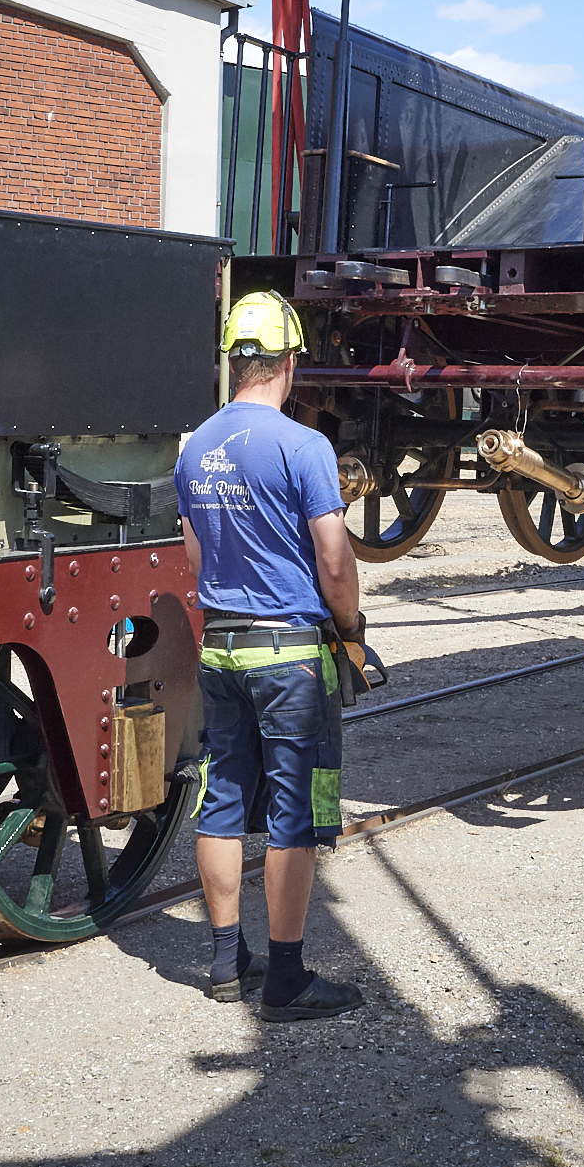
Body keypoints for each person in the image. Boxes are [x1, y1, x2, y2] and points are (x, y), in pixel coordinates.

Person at [173, 289, 366, 1021]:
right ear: (288, 363)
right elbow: (334, 556)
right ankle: (286, 977)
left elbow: (195, 552)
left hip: (219, 648)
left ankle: (227, 961)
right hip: (288, 655)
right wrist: (350, 624)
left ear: (234, 363)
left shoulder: (195, 446)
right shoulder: (303, 446)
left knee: (220, 800)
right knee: (295, 814)